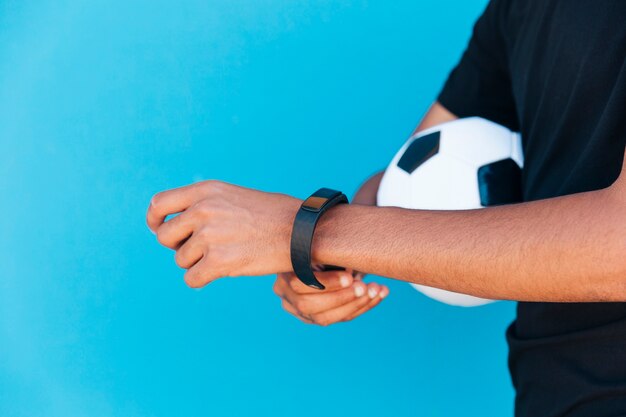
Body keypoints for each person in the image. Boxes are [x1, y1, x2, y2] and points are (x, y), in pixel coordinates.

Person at [146, 1, 626, 415]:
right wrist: (317, 256)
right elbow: (407, 179)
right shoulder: (519, 11)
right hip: (548, 393)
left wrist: (310, 230)